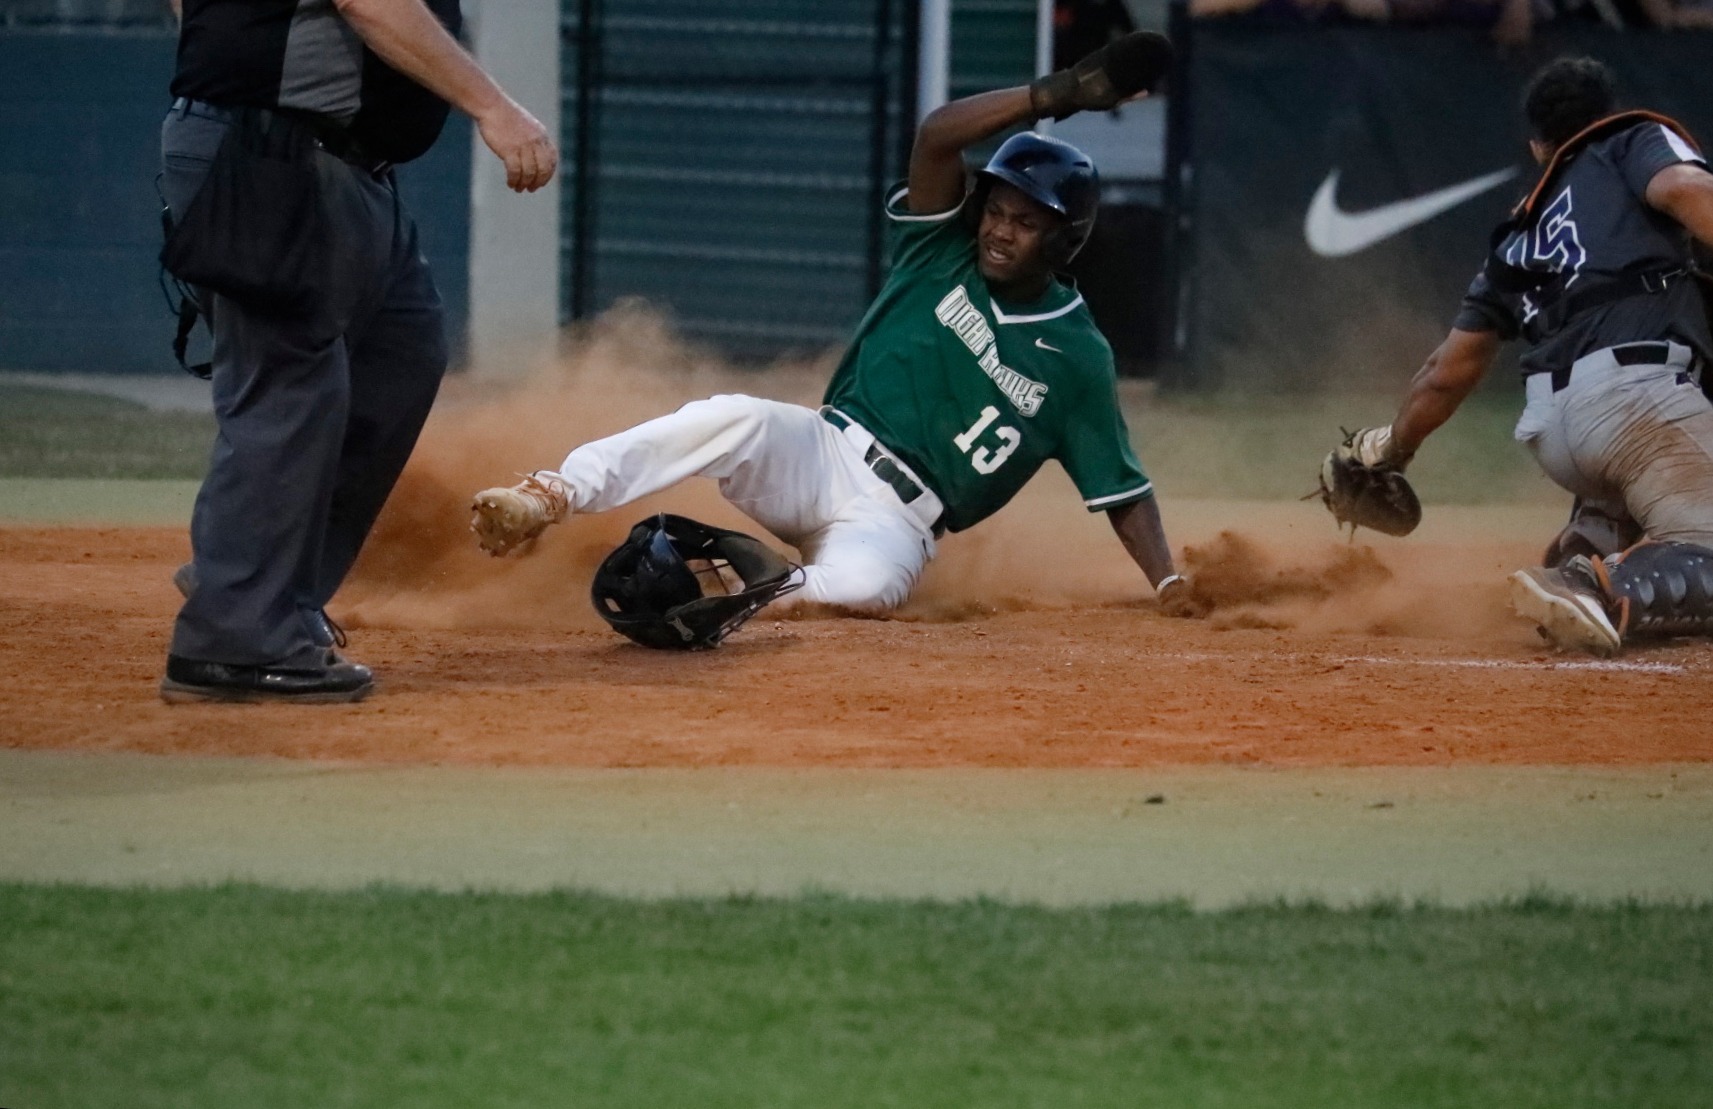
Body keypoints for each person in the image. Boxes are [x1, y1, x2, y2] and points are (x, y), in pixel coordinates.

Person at [470, 36, 1199, 620]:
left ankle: (736, 596)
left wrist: (1166, 580)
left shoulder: (1076, 355)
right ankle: (551, 493)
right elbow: (939, 139)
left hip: (899, 522)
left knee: (856, 589)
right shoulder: (939, 247)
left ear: (1064, 239)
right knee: (733, 417)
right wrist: (1057, 93)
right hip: (822, 450)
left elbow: (1121, 490)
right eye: (999, 211)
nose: (1001, 231)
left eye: (1027, 221)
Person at [158, 0, 558, 703]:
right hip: (274, 152)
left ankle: (262, 577)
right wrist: (494, 108)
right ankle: (234, 639)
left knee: (400, 354)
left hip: (331, 161)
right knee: (290, 386)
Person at [1333, 56, 1713, 657]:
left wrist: (1391, 449)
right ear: (1602, 118)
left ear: (1538, 147)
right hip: (1636, 405)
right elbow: (1684, 187)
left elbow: (1444, 375)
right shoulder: (1629, 140)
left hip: (1556, 432)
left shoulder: (1517, 236)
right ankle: (1587, 583)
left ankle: (1593, 540)